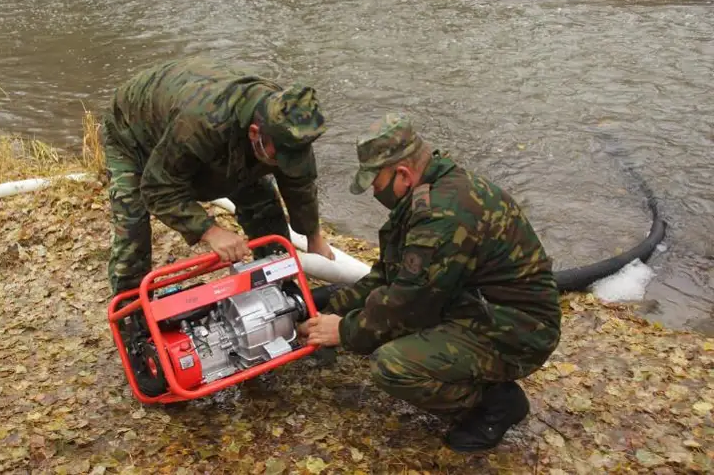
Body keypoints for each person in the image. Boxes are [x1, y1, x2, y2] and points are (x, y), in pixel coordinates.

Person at [298, 113, 562, 452]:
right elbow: (387, 277)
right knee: (378, 322)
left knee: (391, 365)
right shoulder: (429, 194)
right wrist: (329, 310)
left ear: (403, 174)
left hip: (517, 331)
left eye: (376, 185)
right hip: (478, 306)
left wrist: (344, 331)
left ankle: (495, 403)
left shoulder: (443, 214)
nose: (376, 194)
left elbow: (409, 303)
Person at [102, 57, 335, 296]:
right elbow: (157, 188)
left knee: (263, 202)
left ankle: (279, 285)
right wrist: (210, 231)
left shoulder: (289, 126)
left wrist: (312, 235)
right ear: (255, 134)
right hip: (132, 132)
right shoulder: (200, 123)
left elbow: (300, 184)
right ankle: (132, 319)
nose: (288, 162)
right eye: (281, 157)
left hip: (208, 128)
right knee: (132, 228)